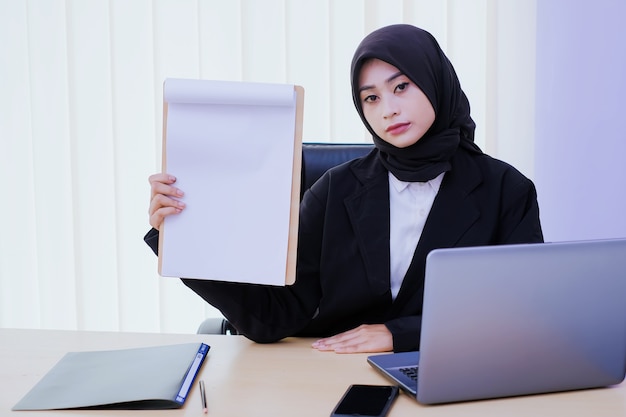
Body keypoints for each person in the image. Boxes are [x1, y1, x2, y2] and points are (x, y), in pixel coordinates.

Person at [145, 24, 543, 354]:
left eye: (401, 87)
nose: (387, 108)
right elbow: (275, 315)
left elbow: (519, 313)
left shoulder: (507, 190)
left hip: (458, 374)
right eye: (371, 98)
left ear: (435, 81)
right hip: (338, 377)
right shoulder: (335, 189)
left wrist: (400, 335)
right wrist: (182, 236)